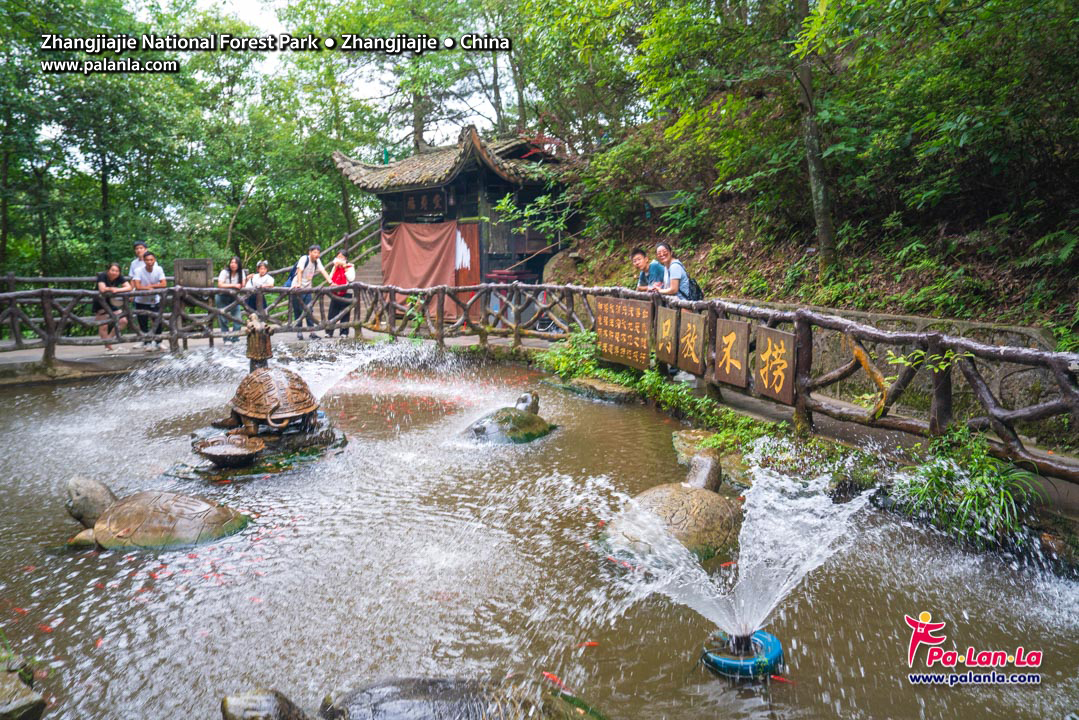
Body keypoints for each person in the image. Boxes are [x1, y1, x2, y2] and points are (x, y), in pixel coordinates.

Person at [290, 244, 332, 340]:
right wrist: (299, 284)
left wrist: (330, 282)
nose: (316, 254)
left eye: (318, 252)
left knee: (309, 310)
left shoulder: (317, 261)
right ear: (310, 252)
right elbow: (299, 271)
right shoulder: (304, 259)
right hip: (296, 287)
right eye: (314, 252)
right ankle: (299, 331)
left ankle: (312, 332)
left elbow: (323, 271)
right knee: (297, 310)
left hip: (308, 288)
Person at [131, 251, 167, 350]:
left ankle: (158, 341)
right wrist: (148, 289)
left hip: (154, 300)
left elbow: (164, 284)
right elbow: (137, 286)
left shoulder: (158, 269)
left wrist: (151, 286)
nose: (149, 262)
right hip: (141, 300)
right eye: (147, 260)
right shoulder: (138, 270)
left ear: (154, 260)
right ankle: (146, 341)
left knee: (157, 320)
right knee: (142, 321)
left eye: (151, 259)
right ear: (144, 261)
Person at [94, 262, 131, 350]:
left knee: (123, 321)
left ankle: (109, 340)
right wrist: (111, 289)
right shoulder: (102, 276)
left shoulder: (119, 277)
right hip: (100, 303)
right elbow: (102, 289)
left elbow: (129, 287)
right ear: (108, 270)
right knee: (103, 325)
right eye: (112, 270)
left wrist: (117, 290)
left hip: (111, 303)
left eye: (117, 271)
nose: (114, 272)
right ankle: (108, 346)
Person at [215, 256, 246, 342]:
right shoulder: (224, 272)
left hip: (234, 297)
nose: (233, 264)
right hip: (222, 297)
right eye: (231, 262)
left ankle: (235, 339)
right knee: (223, 319)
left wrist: (244, 280)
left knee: (238, 318)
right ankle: (226, 339)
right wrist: (234, 285)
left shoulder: (241, 272)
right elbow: (220, 285)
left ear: (238, 264)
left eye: (235, 263)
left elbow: (242, 284)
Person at [326, 251, 356, 337]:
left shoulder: (350, 266)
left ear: (345, 258)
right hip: (336, 292)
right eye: (338, 256)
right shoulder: (335, 267)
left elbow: (351, 279)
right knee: (332, 312)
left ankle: (344, 332)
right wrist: (335, 268)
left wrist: (345, 267)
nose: (339, 258)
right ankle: (329, 332)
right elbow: (330, 277)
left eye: (341, 257)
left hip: (347, 292)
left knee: (345, 313)